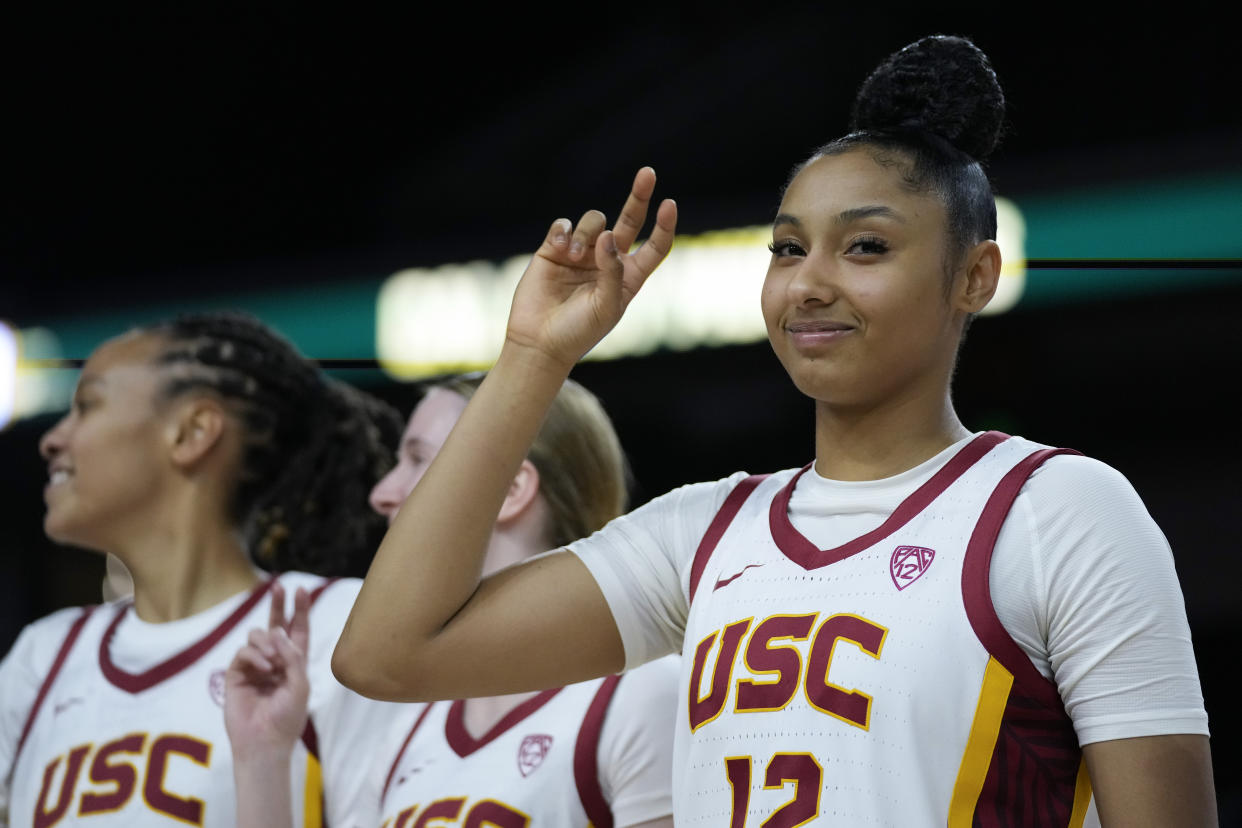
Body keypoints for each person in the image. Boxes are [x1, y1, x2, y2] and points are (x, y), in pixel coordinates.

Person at [332, 35, 1217, 828]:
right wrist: (532, 355)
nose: (808, 284)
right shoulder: (703, 532)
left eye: (864, 248)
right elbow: (388, 654)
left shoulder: (1061, 509)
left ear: (974, 277)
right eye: (788, 249)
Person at [0, 311, 411, 827]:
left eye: (87, 406)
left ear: (192, 432)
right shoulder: (42, 658)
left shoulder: (335, 628)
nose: (53, 439)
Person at [227, 373, 679, 827]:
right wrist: (261, 758)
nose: (382, 494)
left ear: (511, 489)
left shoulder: (644, 690)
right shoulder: (405, 722)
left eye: (417, 459)